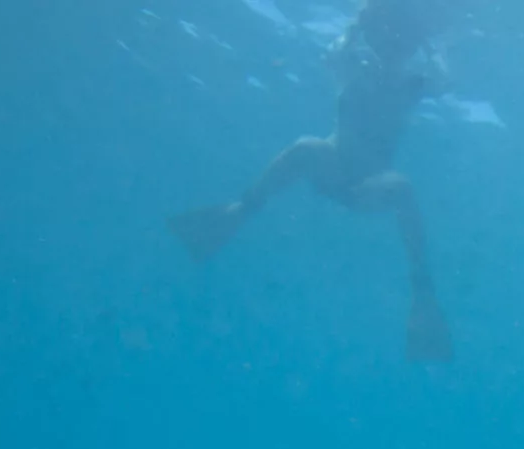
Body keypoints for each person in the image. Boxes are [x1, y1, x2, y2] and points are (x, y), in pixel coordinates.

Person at [169, 0, 454, 362]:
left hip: (368, 185)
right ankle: (237, 212)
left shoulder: (413, 85)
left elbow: (444, 81)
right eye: (387, 42)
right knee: (306, 146)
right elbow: (333, 53)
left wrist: (434, 46)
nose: (391, 53)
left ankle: (422, 294)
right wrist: (356, 22)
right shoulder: (354, 67)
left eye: (400, 47)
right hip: (330, 168)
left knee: (402, 187)